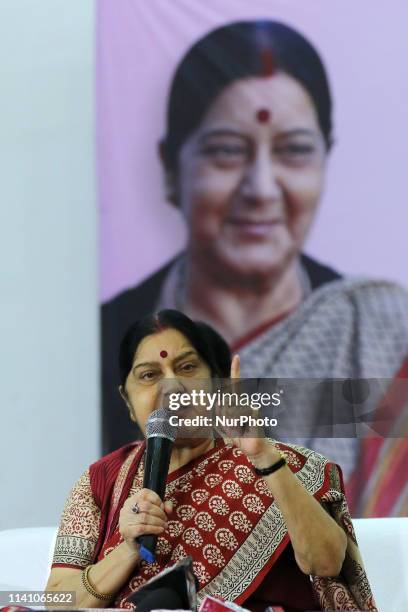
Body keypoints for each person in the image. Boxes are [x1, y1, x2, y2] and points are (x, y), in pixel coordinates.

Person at [101, 20, 408, 517]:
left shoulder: (381, 326)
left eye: (294, 150)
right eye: (226, 150)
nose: (262, 188)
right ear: (170, 167)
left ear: (325, 161)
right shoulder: (102, 338)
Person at [47, 310, 376, 610]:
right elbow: (56, 601)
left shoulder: (287, 465)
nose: (172, 387)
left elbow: (327, 562)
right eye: (149, 375)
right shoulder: (100, 481)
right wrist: (129, 549)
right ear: (128, 401)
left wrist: (265, 459)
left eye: (187, 367)